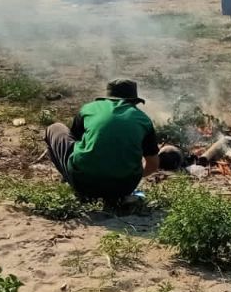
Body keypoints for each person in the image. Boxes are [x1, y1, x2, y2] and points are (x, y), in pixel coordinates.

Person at [44, 79, 179, 205]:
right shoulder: (144, 119)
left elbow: (75, 140)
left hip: (83, 183)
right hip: (124, 188)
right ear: (134, 101)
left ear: (107, 97)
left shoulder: (88, 109)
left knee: (54, 128)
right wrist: (130, 176)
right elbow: (153, 164)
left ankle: (67, 180)